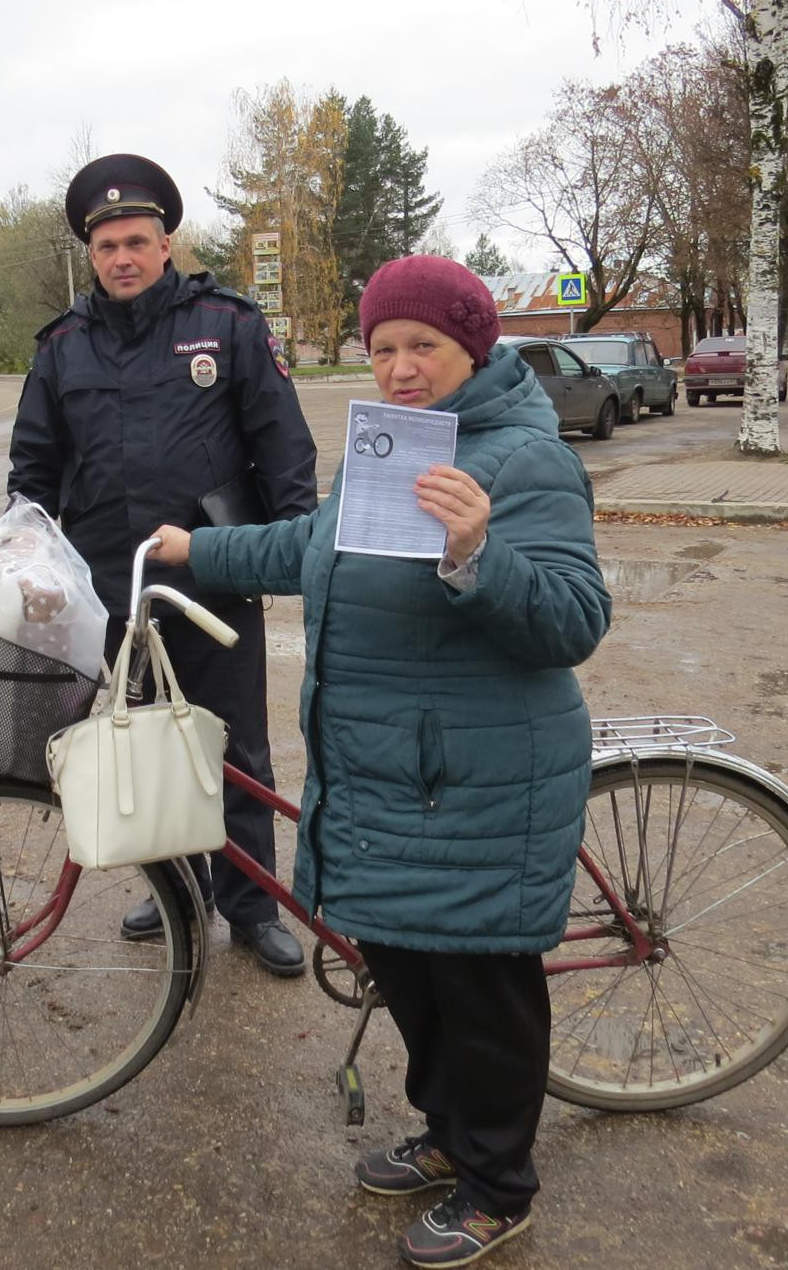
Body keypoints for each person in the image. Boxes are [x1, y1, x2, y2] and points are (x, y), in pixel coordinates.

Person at [148, 255, 611, 1266]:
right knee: (409, 970)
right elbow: (311, 550)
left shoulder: (522, 459)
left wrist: (476, 556)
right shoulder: (386, 452)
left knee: (479, 991)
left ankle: (498, 1187)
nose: (401, 368)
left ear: (471, 349)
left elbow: (573, 620)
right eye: (384, 348)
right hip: (385, 774)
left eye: (424, 348)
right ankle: (451, 1138)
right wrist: (195, 552)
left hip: (476, 780)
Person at [8, 152, 317, 978]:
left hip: (210, 579)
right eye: (107, 244)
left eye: (137, 241)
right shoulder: (63, 347)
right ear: (91, 250)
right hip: (110, 591)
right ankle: (178, 893)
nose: (122, 258)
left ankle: (250, 902)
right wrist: (29, 562)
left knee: (234, 746)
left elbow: (283, 448)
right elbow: (32, 474)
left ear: (166, 242)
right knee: (143, 749)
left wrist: (297, 552)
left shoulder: (228, 326)